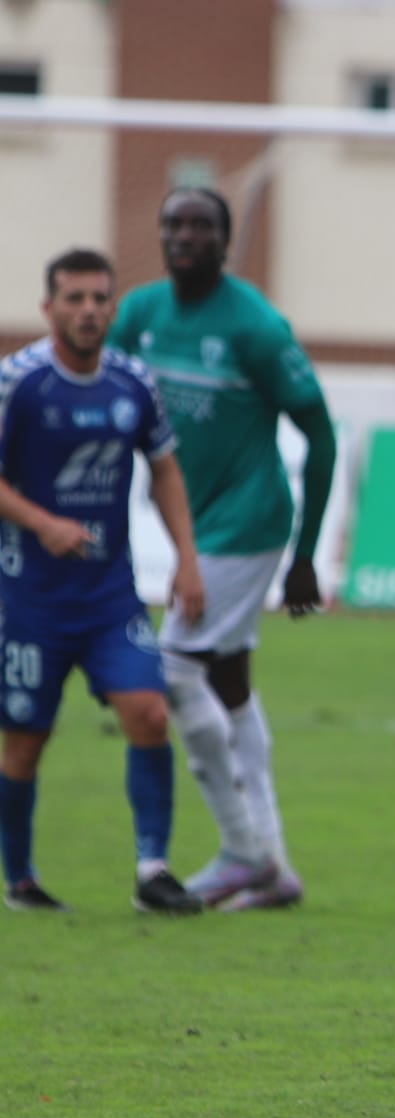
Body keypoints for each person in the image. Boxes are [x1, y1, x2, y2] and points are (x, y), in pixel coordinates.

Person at [108, 187, 339, 909]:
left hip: (249, 521)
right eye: (173, 222)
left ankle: (242, 851)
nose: (185, 235)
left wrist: (305, 555)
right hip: (192, 523)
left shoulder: (256, 326)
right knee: (228, 678)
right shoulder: (141, 314)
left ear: (225, 238)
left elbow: (321, 432)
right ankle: (274, 863)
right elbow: (107, 400)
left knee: (174, 667)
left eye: (200, 225)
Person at [0, 248, 206, 914]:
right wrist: (42, 522)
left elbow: (166, 468)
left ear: (114, 308)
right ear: (48, 307)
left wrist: (186, 557)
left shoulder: (133, 383)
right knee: (26, 739)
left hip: (109, 592)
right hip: (28, 597)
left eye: (99, 299)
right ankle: (21, 879)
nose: (88, 311)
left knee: (148, 712)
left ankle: (153, 870)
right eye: (74, 298)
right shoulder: (19, 383)